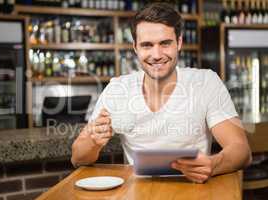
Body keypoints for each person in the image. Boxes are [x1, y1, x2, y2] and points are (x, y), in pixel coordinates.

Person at [71, 2, 252, 183]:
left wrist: (213, 164)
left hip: (194, 189)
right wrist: (93, 143)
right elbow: (77, 158)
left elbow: (241, 151)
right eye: (147, 45)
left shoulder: (205, 82)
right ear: (135, 47)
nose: (156, 54)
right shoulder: (118, 89)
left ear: (179, 42)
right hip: (138, 192)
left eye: (165, 43)